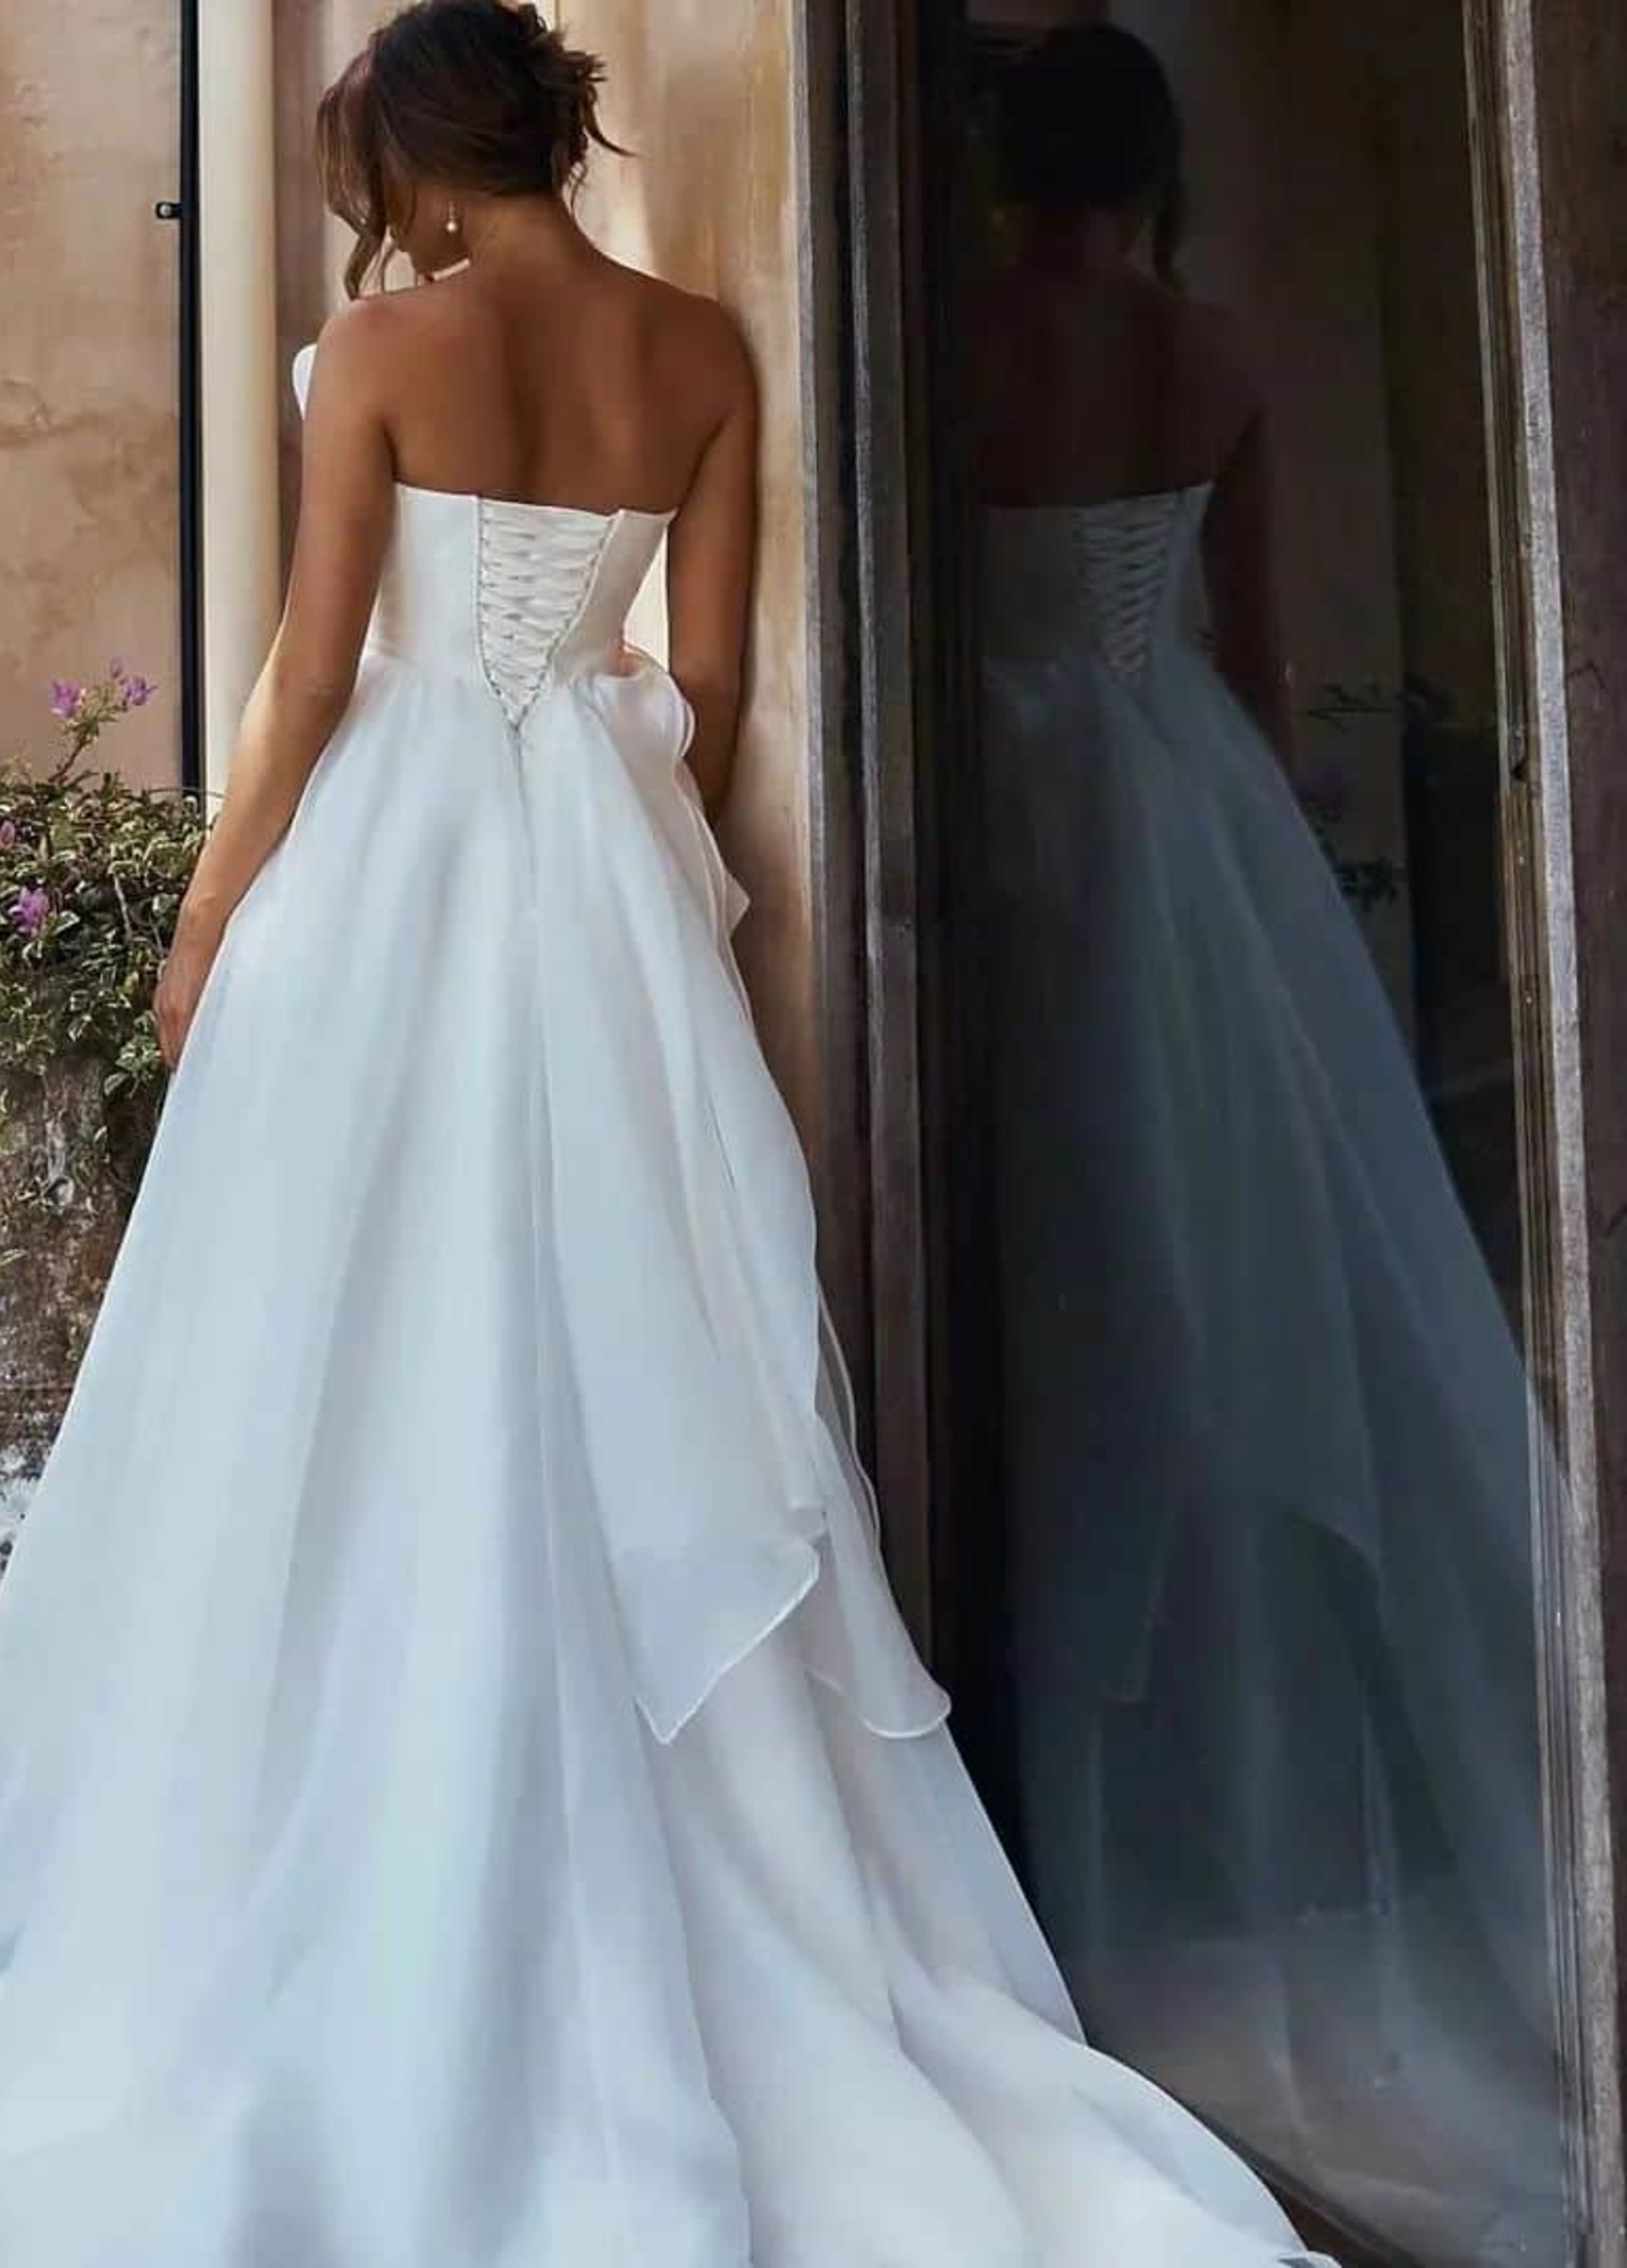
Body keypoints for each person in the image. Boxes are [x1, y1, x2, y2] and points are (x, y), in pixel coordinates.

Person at [0, 6, 1333, 2259]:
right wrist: (607, 871)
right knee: (627, 1351)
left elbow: (308, 676)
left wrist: (207, 924)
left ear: (407, 156)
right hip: (599, 887)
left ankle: (372, 1837)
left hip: (392, 874)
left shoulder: (382, 344)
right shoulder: (701, 346)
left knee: (348, 1346)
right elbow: (709, 691)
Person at [972, 26, 1561, 2255]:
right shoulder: (1208, 347)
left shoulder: (956, 347)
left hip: (1002, 821)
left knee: (1054, 1268)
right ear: (1158, 169)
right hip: (1182, 819)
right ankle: (1240, 1800)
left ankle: (1070, 1788)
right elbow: (1259, 640)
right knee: (1223, 1278)